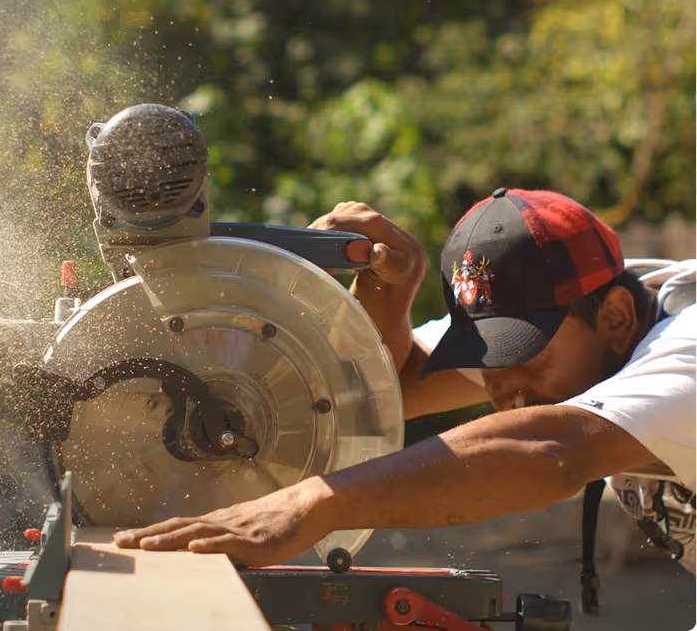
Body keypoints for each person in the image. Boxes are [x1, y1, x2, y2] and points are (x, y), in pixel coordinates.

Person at [114, 188, 697, 584]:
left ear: (617, 317)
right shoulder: (582, 311)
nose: (505, 390)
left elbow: (553, 451)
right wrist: (388, 298)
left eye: (524, 360)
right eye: (489, 361)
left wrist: (311, 504)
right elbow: (368, 400)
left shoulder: (688, 347)